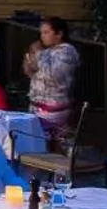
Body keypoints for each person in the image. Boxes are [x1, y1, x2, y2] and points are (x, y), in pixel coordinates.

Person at [24, 16, 81, 145]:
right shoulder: (47, 51)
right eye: (41, 33)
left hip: (53, 109)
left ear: (59, 34)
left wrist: (38, 53)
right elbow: (31, 72)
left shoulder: (67, 52)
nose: (42, 36)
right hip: (36, 106)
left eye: (46, 32)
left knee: (50, 144)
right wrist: (30, 58)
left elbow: (53, 75)